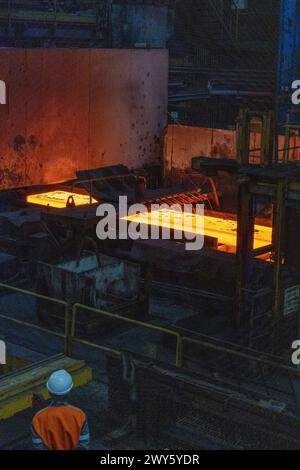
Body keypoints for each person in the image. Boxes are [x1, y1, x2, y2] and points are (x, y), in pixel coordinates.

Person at [31, 369, 90, 450]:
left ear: (49, 392)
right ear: (69, 392)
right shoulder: (80, 415)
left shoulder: (38, 418)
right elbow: (83, 444)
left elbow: (38, 446)